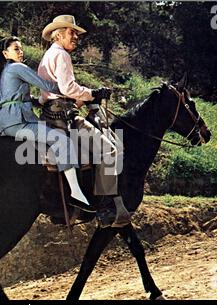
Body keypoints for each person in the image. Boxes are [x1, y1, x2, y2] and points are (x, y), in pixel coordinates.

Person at [38, 15, 132, 227]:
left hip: (49, 116)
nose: (76, 37)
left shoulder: (47, 56)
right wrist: (93, 92)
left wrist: (86, 97)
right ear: (59, 34)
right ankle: (106, 208)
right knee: (110, 150)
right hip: (65, 118)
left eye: (77, 34)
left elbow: (51, 95)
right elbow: (67, 89)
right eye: (72, 33)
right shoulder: (61, 56)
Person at [0, 36, 94, 212]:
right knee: (61, 140)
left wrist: (39, 102)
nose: (21, 52)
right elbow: (47, 86)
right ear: (5, 53)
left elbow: (22, 99)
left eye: (21, 49)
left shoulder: (4, 72)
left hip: (8, 122)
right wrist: (77, 92)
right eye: (16, 49)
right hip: (20, 122)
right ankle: (76, 194)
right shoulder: (17, 67)